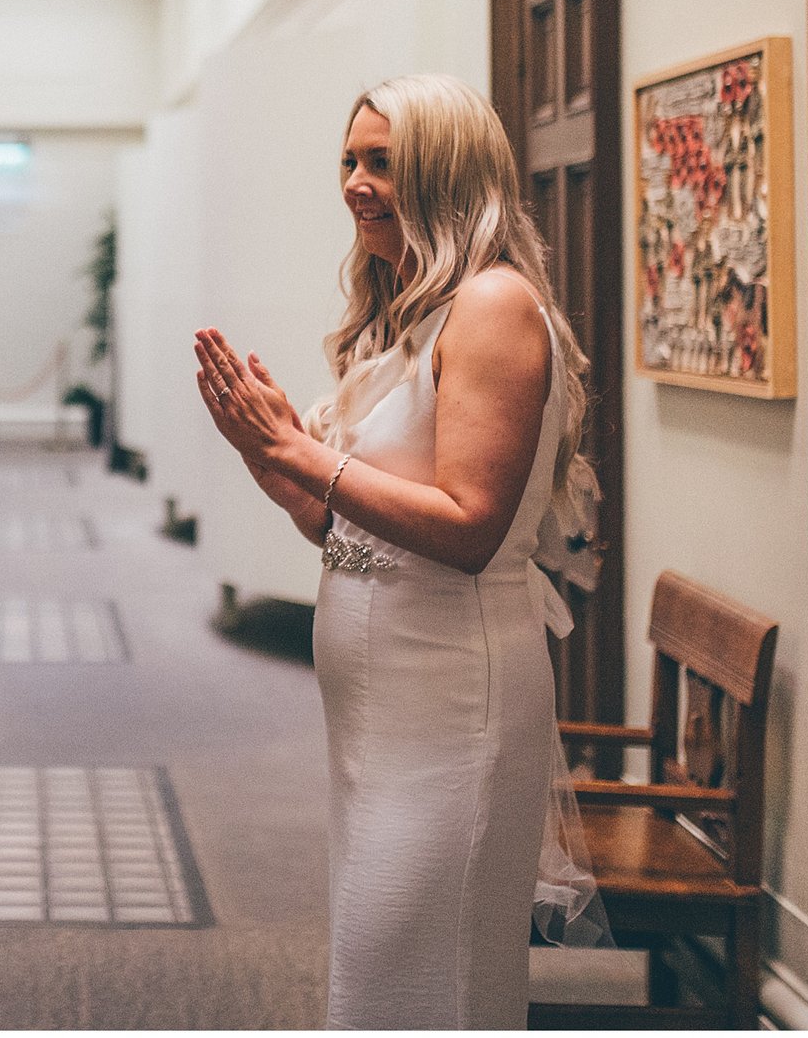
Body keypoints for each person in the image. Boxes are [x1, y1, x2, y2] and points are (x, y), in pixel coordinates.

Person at [192, 73, 603, 1030]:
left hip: (453, 695)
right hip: (380, 706)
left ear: (448, 169)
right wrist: (271, 459)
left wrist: (302, 450)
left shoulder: (495, 305)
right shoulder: (411, 312)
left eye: (383, 160)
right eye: (348, 159)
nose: (356, 182)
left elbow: (467, 527)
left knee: (430, 962)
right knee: (381, 966)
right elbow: (347, 529)